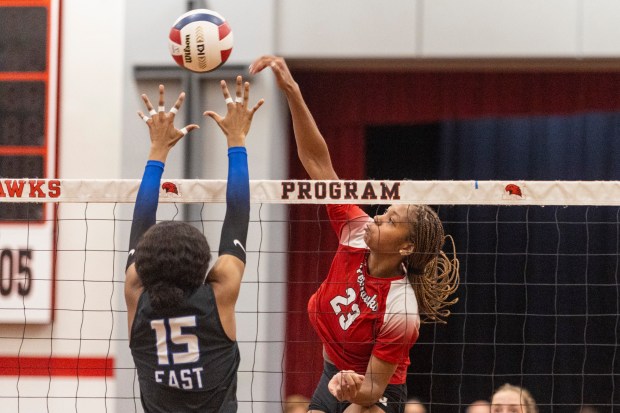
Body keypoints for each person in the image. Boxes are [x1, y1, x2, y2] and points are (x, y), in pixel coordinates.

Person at [250, 56, 460, 413]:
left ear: (407, 246)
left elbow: (375, 385)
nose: (378, 217)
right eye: (384, 212)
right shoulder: (357, 231)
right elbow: (319, 164)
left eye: (391, 220)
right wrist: (292, 91)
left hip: (375, 390)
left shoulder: (401, 308)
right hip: (333, 368)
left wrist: (354, 390)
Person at [124, 77, 264, 412]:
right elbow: (238, 213)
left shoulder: (137, 298)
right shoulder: (218, 295)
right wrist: (236, 139)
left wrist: (157, 150)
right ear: (202, 263)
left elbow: (141, 220)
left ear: (144, 266)